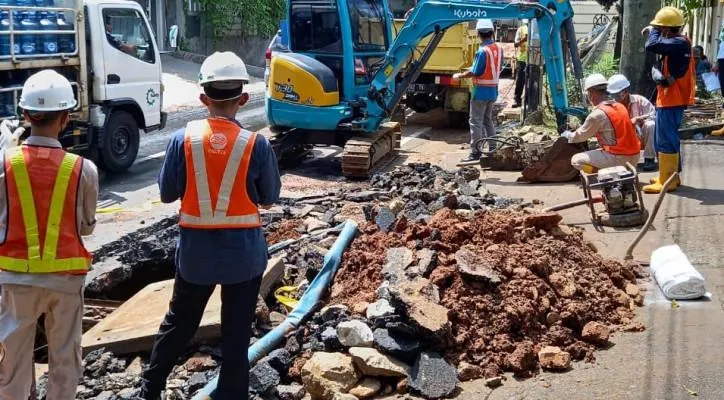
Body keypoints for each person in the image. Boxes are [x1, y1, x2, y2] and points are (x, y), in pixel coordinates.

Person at [138, 52, 281, 400]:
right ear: (243, 99)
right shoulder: (256, 144)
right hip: (244, 257)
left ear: (203, 98)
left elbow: (168, 193)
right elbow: (269, 198)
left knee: (179, 324)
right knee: (236, 333)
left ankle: (150, 389)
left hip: (196, 256)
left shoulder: (182, 140)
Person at [0, 70, 98, 399]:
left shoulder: (5, 163)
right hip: (66, 281)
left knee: (11, 365)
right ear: (66, 119)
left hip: (15, 279)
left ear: (25, 115)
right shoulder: (83, 169)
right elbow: (86, 226)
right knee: (65, 363)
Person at [641, 6, 694, 193]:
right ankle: (671, 176)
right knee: (664, 138)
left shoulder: (678, 43)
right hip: (670, 98)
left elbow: (651, 45)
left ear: (664, 28)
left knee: (665, 139)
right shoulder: (678, 43)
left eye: (659, 28)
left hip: (672, 99)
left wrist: (653, 30)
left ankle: (668, 180)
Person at [561, 73, 641, 173]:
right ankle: (621, 169)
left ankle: (606, 175)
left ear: (591, 93)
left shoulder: (597, 114)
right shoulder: (620, 106)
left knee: (576, 161)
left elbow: (581, 136)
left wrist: (568, 135)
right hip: (635, 156)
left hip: (619, 158)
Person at [453, 19, 503, 162]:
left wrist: (460, 75)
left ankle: (475, 152)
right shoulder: (498, 49)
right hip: (493, 91)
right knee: (488, 120)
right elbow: (494, 68)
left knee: (475, 122)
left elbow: (475, 72)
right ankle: (493, 149)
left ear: (479, 34)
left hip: (480, 91)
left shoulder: (482, 51)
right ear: (492, 32)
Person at [607, 74, 657, 172]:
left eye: (616, 94)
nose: (614, 97)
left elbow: (654, 115)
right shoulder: (611, 106)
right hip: (622, 140)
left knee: (651, 125)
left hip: (639, 137)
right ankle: (618, 160)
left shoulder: (639, 100)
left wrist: (639, 119)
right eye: (612, 95)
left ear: (625, 91)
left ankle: (649, 159)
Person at [512, 20, 528, 108]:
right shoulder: (521, 29)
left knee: (532, 81)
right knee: (520, 81)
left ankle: (529, 101)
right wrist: (524, 40)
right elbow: (515, 44)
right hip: (522, 59)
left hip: (534, 60)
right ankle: (517, 100)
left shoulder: (538, 29)